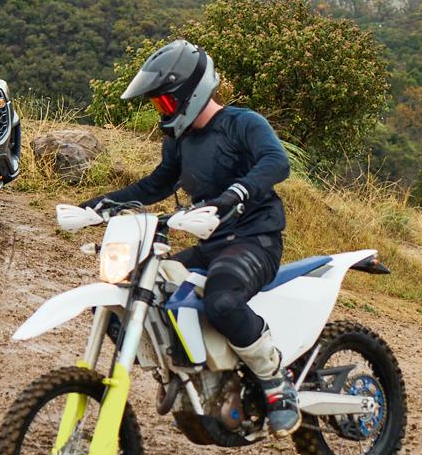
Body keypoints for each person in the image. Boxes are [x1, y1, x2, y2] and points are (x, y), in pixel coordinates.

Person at [82, 39, 298, 433]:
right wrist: (99, 205)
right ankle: (179, 373)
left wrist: (238, 193)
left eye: (164, 102)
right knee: (126, 295)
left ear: (189, 92)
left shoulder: (243, 123)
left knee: (223, 300)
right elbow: (157, 184)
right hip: (211, 244)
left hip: (255, 240)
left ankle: (275, 381)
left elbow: (275, 162)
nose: (160, 111)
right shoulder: (179, 140)